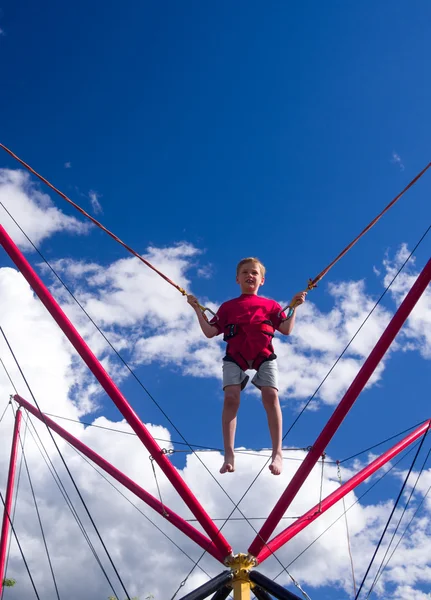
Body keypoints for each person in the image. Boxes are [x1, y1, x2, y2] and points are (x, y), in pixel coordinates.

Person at [187, 257, 306, 476]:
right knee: (231, 397)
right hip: (235, 356)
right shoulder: (228, 307)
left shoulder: (270, 305)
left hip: (264, 356)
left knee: (271, 396)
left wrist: (294, 306)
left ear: (262, 280)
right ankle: (229, 454)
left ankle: (277, 453)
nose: (249, 276)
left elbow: (286, 329)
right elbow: (210, 332)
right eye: (245, 273)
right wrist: (197, 309)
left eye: (254, 273)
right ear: (237, 279)